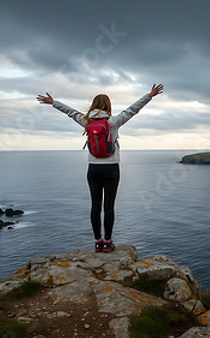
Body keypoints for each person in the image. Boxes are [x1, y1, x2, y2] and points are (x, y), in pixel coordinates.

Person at [36, 84, 164, 252]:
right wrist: (149, 95)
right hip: (111, 169)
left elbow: (70, 112)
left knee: (95, 206)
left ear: (93, 105)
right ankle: (108, 243)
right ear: (108, 106)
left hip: (93, 169)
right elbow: (133, 109)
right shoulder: (114, 122)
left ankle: (98, 242)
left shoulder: (87, 121)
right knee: (109, 207)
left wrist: (54, 102)